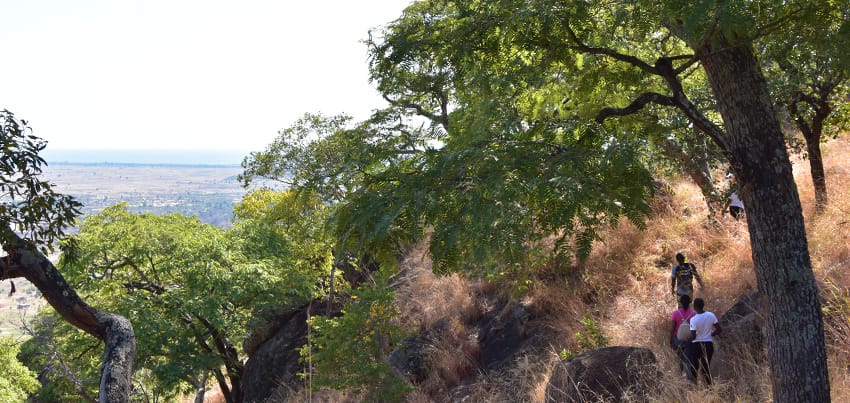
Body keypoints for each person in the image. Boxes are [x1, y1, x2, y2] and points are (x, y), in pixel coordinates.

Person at [686, 298, 721, 386]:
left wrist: (686, 340)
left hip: (696, 345)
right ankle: (709, 387)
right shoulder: (711, 315)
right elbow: (719, 329)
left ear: (694, 307)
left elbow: (693, 336)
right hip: (708, 344)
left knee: (695, 366)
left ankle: (694, 386)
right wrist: (711, 334)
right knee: (706, 367)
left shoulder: (693, 319)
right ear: (703, 305)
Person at [670, 294, 696, 378]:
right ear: (690, 302)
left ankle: (679, 375)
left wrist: (670, 340)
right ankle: (689, 378)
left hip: (678, 338)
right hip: (689, 339)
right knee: (688, 359)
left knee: (679, 357)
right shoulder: (693, 314)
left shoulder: (675, 313)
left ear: (680, 302)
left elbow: (672, 328)